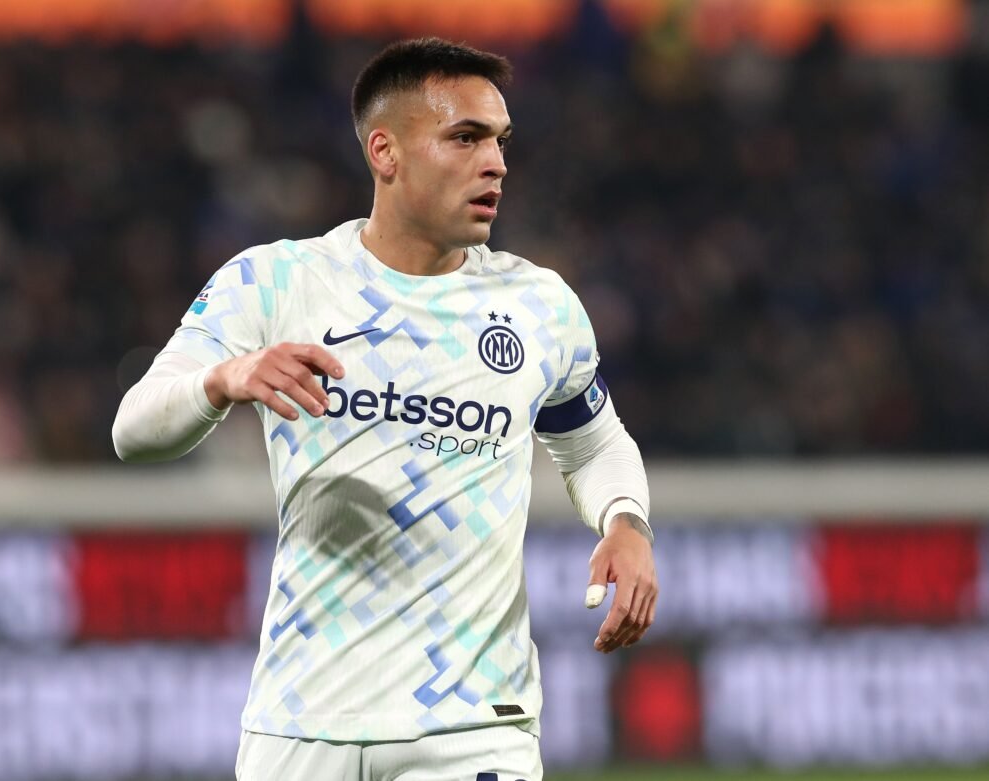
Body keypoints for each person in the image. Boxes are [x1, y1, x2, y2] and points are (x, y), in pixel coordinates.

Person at [112, 37, 657, 781]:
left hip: (474, 726)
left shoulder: (538, 306)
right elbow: (134, 428)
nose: (495, 163)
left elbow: (593, 442)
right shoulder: (277, 282)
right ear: (385, 151)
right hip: (301, 721)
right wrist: (225, 377)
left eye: (499, 141)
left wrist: (626, 522)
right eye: (465, 138)